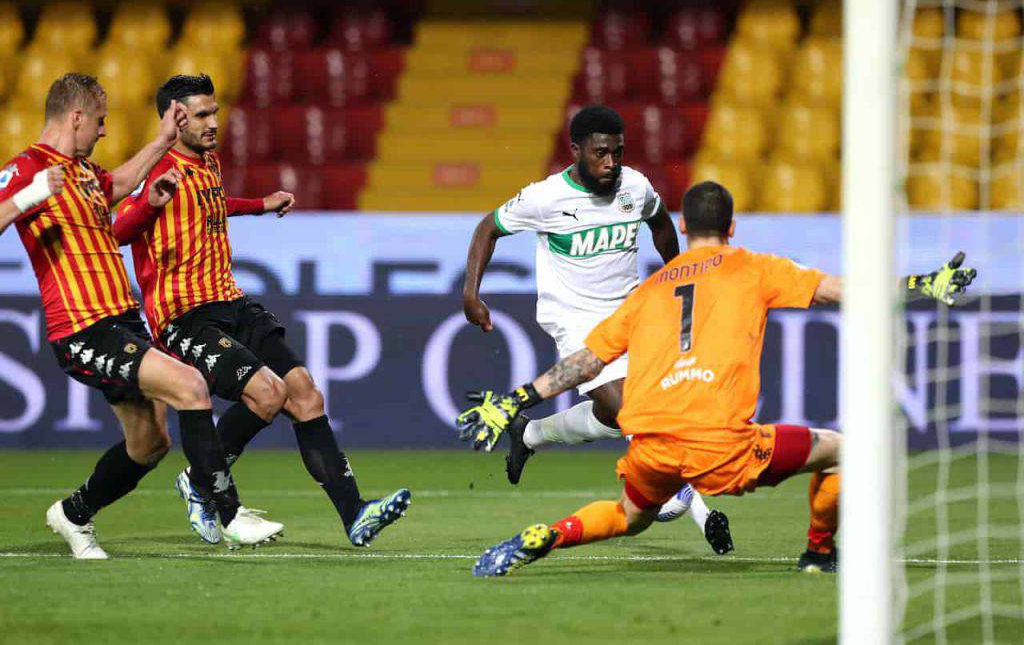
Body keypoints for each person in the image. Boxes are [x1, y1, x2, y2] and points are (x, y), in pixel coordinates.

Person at [457, 180, 977, 576]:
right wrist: (922, 283)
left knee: (627, 517)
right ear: (732, 228)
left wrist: (518, 397)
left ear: (684, 229)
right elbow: (842, 290)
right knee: (845, 450)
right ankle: (819, 553)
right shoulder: (754, 267)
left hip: (656, 446)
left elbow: (584, 362)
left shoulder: (650, 289)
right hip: (721, 445)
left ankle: (548, 535)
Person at [113, 74, 410, 548]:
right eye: (203, 115)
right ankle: (201, 481)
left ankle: (355, 514)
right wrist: (149, 206)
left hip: (230, 301)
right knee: (268, 395)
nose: (215, 122)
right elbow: (118, 230)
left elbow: (207, 206)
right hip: (185, 316)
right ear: (175, 117)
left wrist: (259, 205)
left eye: (215, 111)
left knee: (305, 395)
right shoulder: (156, 169)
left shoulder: (206, 162)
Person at [0, 73, 283, 558]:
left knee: (149, 444)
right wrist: (28, 197)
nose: (104, 131)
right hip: (83, 325)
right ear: (76, 117)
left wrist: (162, 143)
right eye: (101, 121)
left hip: (122, 321)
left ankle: (73, 514)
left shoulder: (84, 171)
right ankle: (229, 514)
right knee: (192, 386)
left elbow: (122, 183)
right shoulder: (30, 167)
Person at [461, 105, 731, 554]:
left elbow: (661, 223)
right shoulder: (545, 198)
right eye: (601, 153)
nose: (611, 163)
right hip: (573, 317)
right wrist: (471, 293)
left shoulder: (636, 187)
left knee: (613, 416)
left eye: (618, 153)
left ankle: (529, 435)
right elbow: (488, 227)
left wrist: (682, 277)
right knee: (630, 409)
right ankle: (687, 499)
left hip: (629, 314)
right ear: (576, 151)